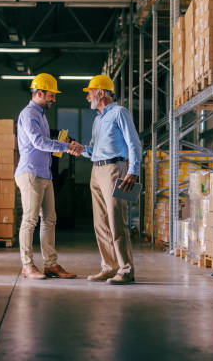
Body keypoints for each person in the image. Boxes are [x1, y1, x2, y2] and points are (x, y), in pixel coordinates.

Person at [15, 73, 84, 280]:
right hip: (30, 173)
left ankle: (51, 265)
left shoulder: (42, 116)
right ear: (39, 93)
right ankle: (27, 265)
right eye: (51, 95)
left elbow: (46, 144)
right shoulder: (29, 115)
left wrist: (64, 144)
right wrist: (66, 147)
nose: (54, 99)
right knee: (30, 220)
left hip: (44, 174)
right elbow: (38, 142)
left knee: (50, 220)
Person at [79, 75, 142, 284]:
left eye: (90, 92)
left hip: (115, 169)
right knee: (101, 223)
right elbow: (96, 149)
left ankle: (126, 269)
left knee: (116, 220)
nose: (88, 96)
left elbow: (133, 143)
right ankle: (109, 266)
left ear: (101, 93)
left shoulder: (119, 113)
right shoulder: (98, 119)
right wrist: (82, 150)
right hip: (96, 171)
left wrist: (132, 171)